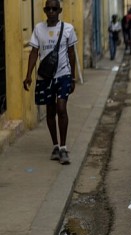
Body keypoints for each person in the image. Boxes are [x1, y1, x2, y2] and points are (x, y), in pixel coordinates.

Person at [22, 0, 78, 165]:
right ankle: (55, 145)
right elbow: (34, 52)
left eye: (55, 8)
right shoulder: (39, 29)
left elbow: (71, 53)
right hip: (45, 77)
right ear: (45, 10)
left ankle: (63, 147)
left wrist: (73, 77)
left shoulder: (68, 29)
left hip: (63, 75)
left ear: (60, 10)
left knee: (61, 108)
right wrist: (28, 75)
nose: (51, 11)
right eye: (48, 8)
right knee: (50, 110)